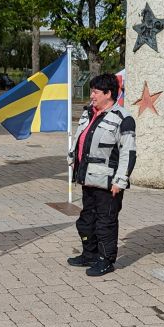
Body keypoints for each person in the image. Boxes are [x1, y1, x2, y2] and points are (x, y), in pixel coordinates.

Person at [67, 73, 137, 277]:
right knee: (86, 221)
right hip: (87, 179)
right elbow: (80, 139)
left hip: (108, 183)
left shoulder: (123, 118)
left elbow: (128, 152)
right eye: (92, 91)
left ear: (108, 94)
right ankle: (89, 255)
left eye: (95, 92)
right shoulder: (88, 113)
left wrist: (120, 181)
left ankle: (106, 261)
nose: (92, 95)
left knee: (105, 223)